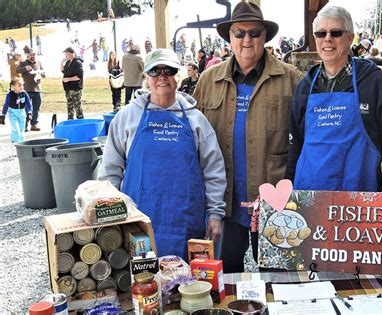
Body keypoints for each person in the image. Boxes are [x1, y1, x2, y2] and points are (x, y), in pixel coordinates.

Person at [193, 2, 303, 273]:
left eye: (254, 33)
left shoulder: (293, 80)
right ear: (229, 37)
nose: (246, 40)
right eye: (239, 33)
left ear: (265, 37)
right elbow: (192, 141)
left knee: (280, 282)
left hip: (276, 203)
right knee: (224, 280)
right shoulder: (207, 81)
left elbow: (308, 143)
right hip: (225, 205)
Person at [98, 48, 226, 259]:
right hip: (137, 223)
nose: (162, 77)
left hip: (185, 223)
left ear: (179, 76)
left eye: (169, 70)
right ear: (146, 76)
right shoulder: (127, 117)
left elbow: (213, 172)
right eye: (155, 72)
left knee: (185, 285)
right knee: (142, 285)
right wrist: (109, 216)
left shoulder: (197, 120)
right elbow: (110, 171)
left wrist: (215, 214)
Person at [286, 5, 382, 193]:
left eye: (336, 32)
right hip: (309, 198)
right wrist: (288, 192)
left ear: (350, 38)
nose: (327, 39)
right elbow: (295, 146)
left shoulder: (373, 82)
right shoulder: (306, 86)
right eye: (321, 33)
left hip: (360, 199)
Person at [16, 50, 45, 131]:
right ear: (27, 55)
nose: (33, 56)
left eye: (34, 54)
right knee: (26, 108)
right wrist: (25, 68)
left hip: (37, 89)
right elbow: (17, 70)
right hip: (27, 89)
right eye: (31, 55)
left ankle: (34, 124)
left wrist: (41, 73)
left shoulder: (38, 63)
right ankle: (24, 125)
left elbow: (44, 74)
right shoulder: (23, 63)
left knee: (36, 108)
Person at [60, 47, 84, 120]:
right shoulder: (68, 62)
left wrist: (68, 79)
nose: (65, 55)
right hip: (68, 88)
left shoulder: (77, 62)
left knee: (77, 106)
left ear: (71, 53)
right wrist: (61, 62)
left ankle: (80, 121)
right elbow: (63, 71)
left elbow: (80, 76)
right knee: (69, 106)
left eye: (66, 54)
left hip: (75, 89)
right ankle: (70, 121)